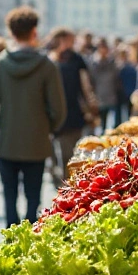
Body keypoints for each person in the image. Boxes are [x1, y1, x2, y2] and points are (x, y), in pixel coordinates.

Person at [0, 7, 66, 226]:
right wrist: (45, 127)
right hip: (36, 143)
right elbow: (58, 110)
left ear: (11, 32)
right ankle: (29, 238)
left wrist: (1, 124)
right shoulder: (47, 66)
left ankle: (10, 237)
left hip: (6, 141)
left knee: (9, 197)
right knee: (33, 196)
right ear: (35, 32)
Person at [47, 28, 93, 184]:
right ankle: (60, 178)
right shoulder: (50, 58)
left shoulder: (77, 59)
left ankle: (69, 182)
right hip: (53, 113)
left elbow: (85, 85)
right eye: (69, 40)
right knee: (56, 151)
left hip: (74, 112)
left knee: (71, 152)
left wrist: (90, 107)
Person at [89, 40, 120, 132]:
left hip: (112, 95)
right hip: (100, 95)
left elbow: (116, 77)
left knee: (115, 123)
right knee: (102, 123)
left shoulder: (112, 62)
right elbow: (91, 79)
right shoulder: (93, 63)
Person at [116, 44, 137, 125]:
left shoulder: (131, 65)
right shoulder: (117, 66)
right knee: (119, 115)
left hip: (129, 92)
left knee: (129, 114)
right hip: (120, 92)